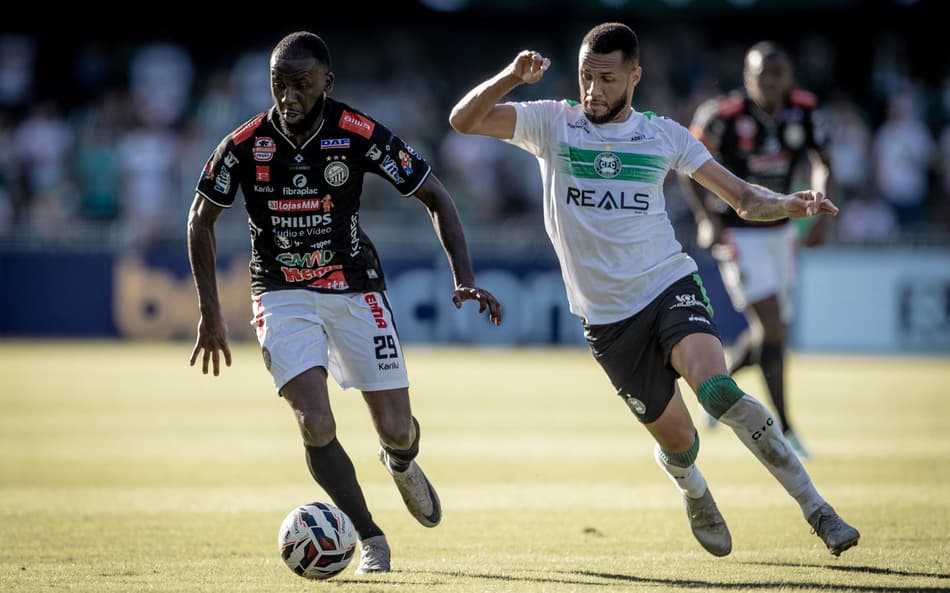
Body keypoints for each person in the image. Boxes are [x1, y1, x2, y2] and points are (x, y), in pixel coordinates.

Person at [449, 23, 859, 557]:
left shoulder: (663, 134)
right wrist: (511, 76)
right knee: (682, 444)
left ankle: (818, 510)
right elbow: (464, 121)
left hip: (668, 284)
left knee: (718, 390)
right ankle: (693, 489)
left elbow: (740, 198)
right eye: (585, 77)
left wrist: (788, 204)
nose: (592, 90)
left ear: (634, 77)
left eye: (606, 79)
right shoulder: (552, 122)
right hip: (608, 320)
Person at [187, 31, 502, 575]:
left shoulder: (357, 132)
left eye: (301, 85)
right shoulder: (244, 144)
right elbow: (200, 219)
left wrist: (464, 276)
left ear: (326, 83)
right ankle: (371, 537)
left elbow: (435, 195)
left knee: (398, 428)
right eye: (278, 85)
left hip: (356, 288)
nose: (287, 97)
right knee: (314, 420)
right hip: (282, 294)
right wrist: (211, 311)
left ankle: (400, 461)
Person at [680, 42, 834, 459]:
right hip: (738, 232)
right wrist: (704, 217)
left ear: (789, 77)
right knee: (772, 327)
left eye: (777, 73)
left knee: (772, 331)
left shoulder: (803, 110)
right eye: (762, 73)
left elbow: (823, 159)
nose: (770, 81)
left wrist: (818, 210)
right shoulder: (723, 116)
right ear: (747, 77)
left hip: (782, 232)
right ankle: (784, 428)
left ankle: (718, 387)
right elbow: (687, 164)